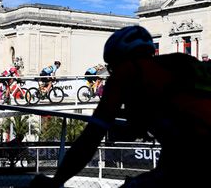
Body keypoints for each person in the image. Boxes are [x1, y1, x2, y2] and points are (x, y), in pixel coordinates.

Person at [30, 25, 211, 188]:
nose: (112, 72)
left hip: (193, 155)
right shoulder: (186, 63)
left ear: (119, 60)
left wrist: (57, 180)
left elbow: (91, 137)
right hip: (185, 153)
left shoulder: (128, 71)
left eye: (112, 67)